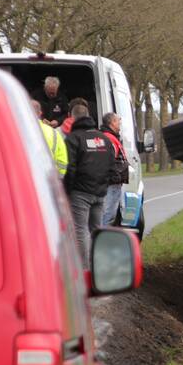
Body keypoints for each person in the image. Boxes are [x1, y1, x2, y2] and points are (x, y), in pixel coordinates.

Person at [63, 103, 117, 262]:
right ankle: (98, 267)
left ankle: (85, 270)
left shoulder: (73, 138)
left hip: (80, 193)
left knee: (80, 231)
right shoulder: (104, 139)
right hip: (100, 193)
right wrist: (103, 186)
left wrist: (67, 190)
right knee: (96, 230)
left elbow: (70, 168)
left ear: (72, 118)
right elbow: (111, 166)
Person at [99, 112, 129, 225]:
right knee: (108, 213)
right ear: (112, 122)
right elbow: (107, 160)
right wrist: (115, 175)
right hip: (112, 182)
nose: (120, 123)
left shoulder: (110, 136)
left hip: (113, 181)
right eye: (118, 120)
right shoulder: (109, 138)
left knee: (110, 213)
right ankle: (100, 238)